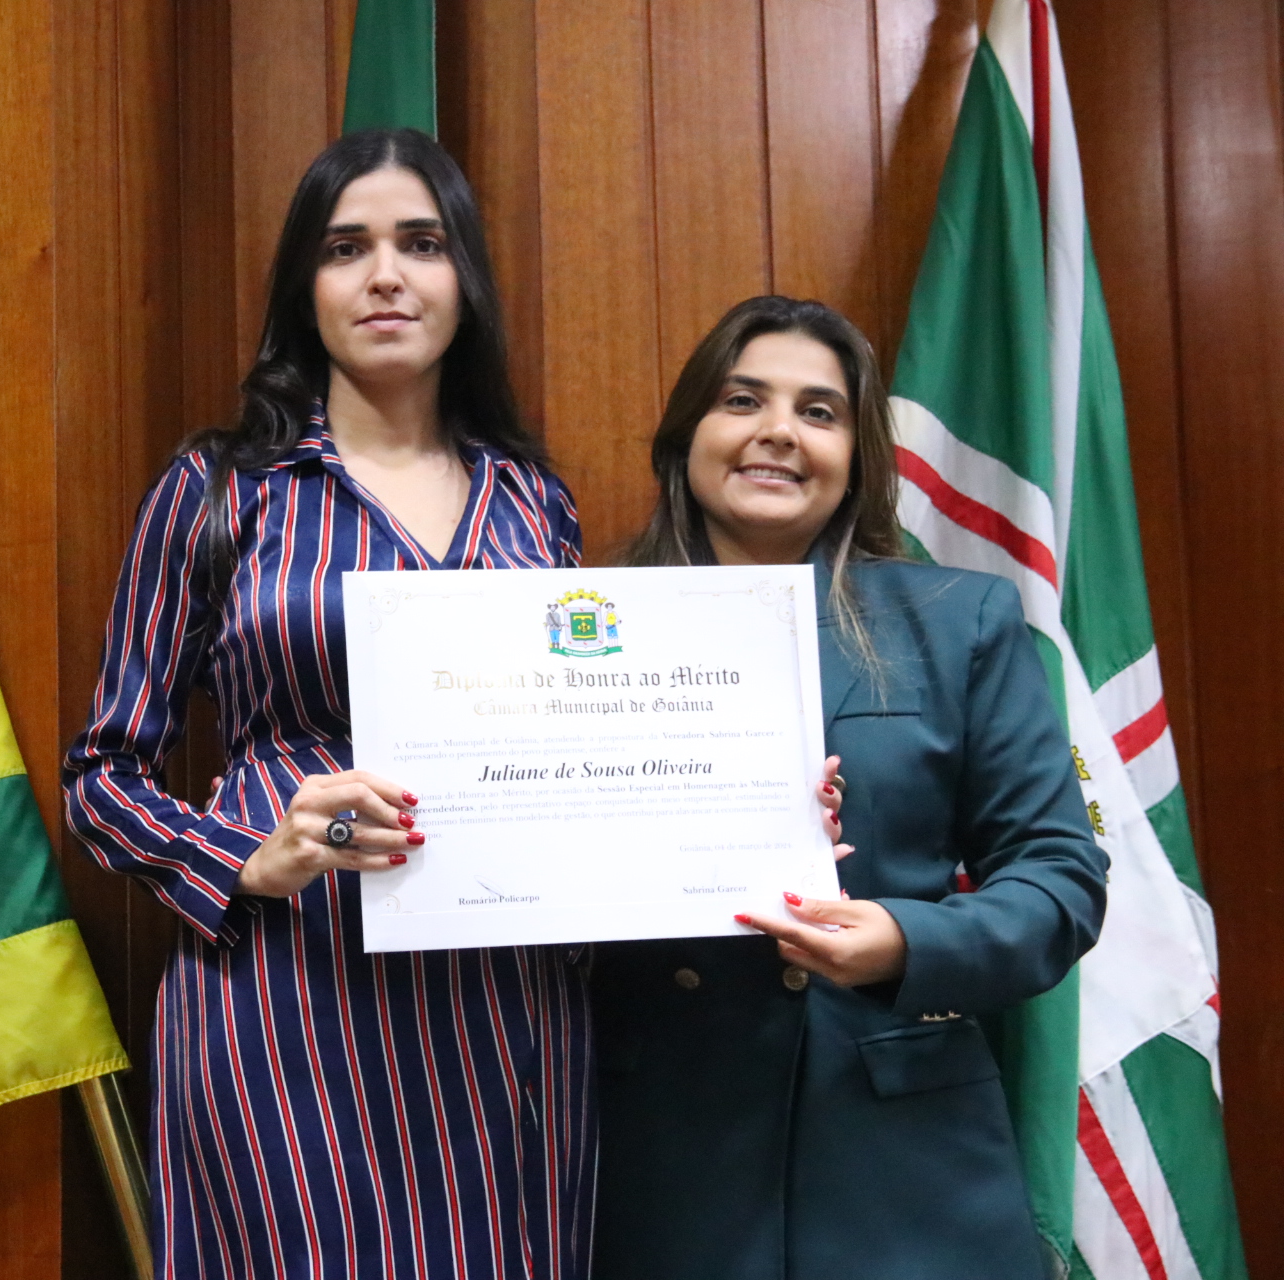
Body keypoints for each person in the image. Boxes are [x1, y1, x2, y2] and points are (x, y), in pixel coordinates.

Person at [64, 129, 593, 1279]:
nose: (386, 275)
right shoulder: (218, 489)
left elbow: (582, 747)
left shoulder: (534, 502)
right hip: (286, 989)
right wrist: (243, 857)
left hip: (500, 999)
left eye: (422, 243)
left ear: (466, 277)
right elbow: (101, 778)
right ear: (305, 286)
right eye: (347, 247)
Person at [591, 296, 1108, 1280]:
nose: (780, 430)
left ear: (857, 456)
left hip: (904, 1166)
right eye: (743, 400)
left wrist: (904, 940)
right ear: (688, 434)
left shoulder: (958, 622)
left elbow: (1060, 878)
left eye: (819, 411)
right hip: (667, 1155)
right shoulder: (579, 625)